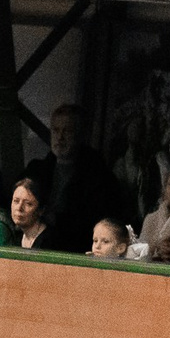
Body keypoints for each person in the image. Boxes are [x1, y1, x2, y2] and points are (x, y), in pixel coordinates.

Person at [22, 103, 125, 253]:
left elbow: (97, 226)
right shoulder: (36, 171)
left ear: (81, 134)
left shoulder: (100, 179)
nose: (60, 137)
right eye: (56, 130)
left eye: (68, 131)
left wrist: (57, 220)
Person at [8, 175, 52, 249]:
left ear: (41, 210)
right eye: (16, 201)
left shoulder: (49, 241)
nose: (19, 208)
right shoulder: (16, 236)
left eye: (28, 204)